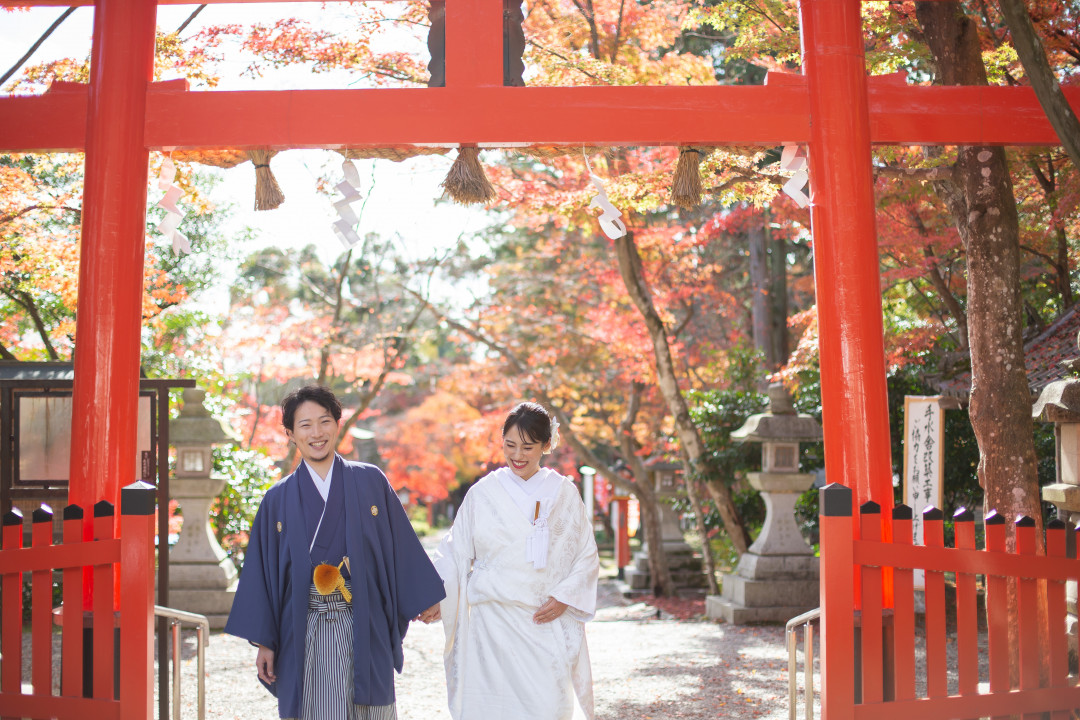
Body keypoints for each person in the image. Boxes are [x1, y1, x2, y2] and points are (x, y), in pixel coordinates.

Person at [225, 385, 445, 720]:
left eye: (324, 421)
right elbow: (262, 575)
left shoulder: (370, 481)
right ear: (290, 433)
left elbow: (399, 544)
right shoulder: (277, 499)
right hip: (304, 624)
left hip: (364, 619)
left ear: (338, 424)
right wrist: (266, 642)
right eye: (305, 425)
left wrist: (423, 596)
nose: (317, 433)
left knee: (371, 707)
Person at [433, 401, 600, 720]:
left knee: (547, 707)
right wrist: (434, 596)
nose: (518, 455)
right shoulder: (483, 493)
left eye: (528, 446)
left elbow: (585, 554)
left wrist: (565, 597)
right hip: (491, 623)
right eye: (510, 445)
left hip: (541, 620)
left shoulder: (563, 492)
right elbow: (454, 551)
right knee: (492, 709)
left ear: (546, 445)